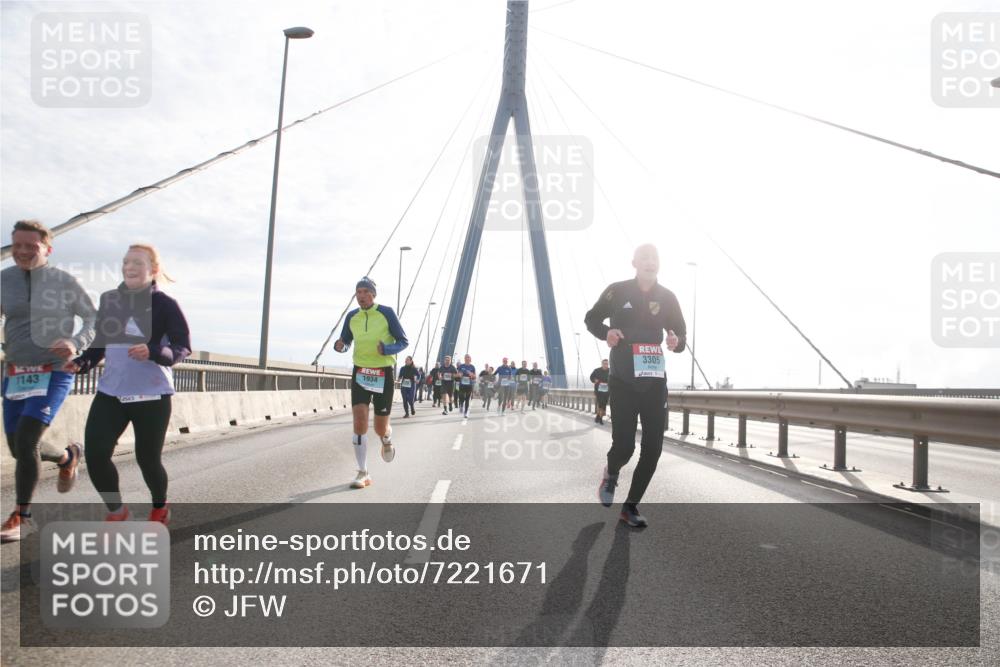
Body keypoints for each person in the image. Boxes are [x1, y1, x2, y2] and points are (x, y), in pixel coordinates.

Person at [67, 244, 191, 524]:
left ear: (154, 270)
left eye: (137, 262)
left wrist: (155, 352)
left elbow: (182, 347)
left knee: (147, 460)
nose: (130, 267)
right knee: (96, 455)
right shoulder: (110, 300)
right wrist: (82, 362)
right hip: (111, 392)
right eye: (126, 262)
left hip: (151, 394)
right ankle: (117, 511)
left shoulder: (165, 305)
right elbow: (99, 344)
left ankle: (160, 506)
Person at [1, 220, 97, 542]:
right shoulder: (4, 280)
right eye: (18, 245)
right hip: (16, 372)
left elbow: (94, 318)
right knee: (18, 448)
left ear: (47, 248)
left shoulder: (64, 282)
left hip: (54, 369)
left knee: (27, 440)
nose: (24, 251)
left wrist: (76, 343)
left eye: (32, 246)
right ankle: (67, 456)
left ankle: (22, 517)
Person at [584, 244, 686, 528]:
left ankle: (630, 507)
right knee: (625, 446)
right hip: (623, 380)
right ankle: (611, 472)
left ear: (659, 264)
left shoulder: (668, 297)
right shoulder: (617, 290)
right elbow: (591, 319)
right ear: (634, 263)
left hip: (654, 383)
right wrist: (607, 332)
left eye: (654, 258)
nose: (650, 262)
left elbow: (681, 334)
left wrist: (676, 342)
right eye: (644, 258)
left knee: (653, 448)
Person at [334, 277, 408, 489]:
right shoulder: (352, 316)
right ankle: (363, 472)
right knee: (359, 423)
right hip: (360, 372)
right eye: (358, 292)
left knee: (379, 427)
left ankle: (386, 438)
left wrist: (387, 349)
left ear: (373, 294)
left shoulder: (386, 313)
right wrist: (340, 346)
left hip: (382, 373)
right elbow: (345, 341)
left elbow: (403, 341)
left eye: (366, 291)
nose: (362, 296)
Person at [590, 359, 611, 425]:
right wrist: (594, 380)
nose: (605, 365)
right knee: (600, 404)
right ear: (602, 364)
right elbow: (591, 377)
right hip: (599, 391)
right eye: (604, 363)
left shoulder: (610, 371)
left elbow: (614, 378)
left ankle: (598, 416)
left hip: (607, 391)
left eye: (607, 364)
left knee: (603, 404)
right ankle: (600, 419)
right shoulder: (597, 370)